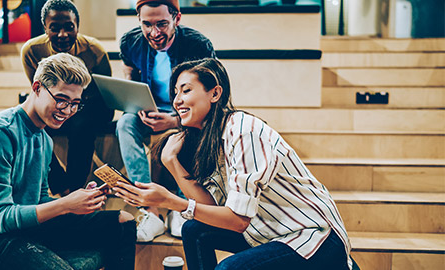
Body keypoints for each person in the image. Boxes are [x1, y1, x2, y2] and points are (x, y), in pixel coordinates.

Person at [113, 58, 353, 270]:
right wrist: (171, 162)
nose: (177, 101)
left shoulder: (242, 130)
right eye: (175, 92)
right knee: (193, 230)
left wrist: (169, 201)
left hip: (314, 237)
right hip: (269, 232)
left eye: (186, 90)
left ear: (215, 94)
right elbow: (209, 206)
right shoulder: (204, 139)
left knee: (229, 268)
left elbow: (237, 221)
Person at [0, 53, 136, 270]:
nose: (67, 111)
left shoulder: (44, 139)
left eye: (75, 104)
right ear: (37, 87)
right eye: (61, 100)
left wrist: (78, 201)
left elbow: (37, 199)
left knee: (123, 221)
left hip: (20, 226)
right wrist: (64, 204)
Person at [117, 0, 216, 242]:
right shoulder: (131, 41)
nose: (154, 33)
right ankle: (149, 210)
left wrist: (174, 121)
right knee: (124, 124)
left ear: (177, 19)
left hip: (187, 112)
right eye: (147, 25)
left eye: (162, 24)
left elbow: (209, 102)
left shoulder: (198, 45)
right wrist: (134, 102)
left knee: (194, 128)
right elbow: (128, 70)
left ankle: (182, 206)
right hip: (149, 108)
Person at [21, 0, 114, 196]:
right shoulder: (31, 51)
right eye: (54, 28)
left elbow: (104, 94)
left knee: (82, 126)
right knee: (30, 124)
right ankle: (63, 188)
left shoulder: (94, 50)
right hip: (55, 102)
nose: (62, 34)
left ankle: (75, 190)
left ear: (77, 27)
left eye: (69, 27)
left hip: (90, 104)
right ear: (45, 28)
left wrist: (73, 107)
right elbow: (40, 92)